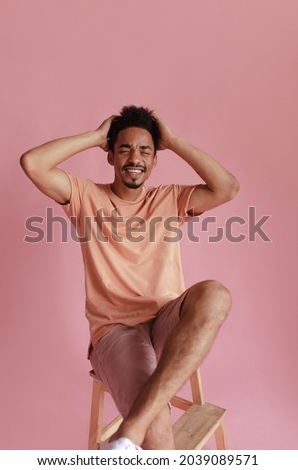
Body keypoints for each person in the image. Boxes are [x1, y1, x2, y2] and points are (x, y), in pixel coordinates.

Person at [20, 105, 239, 450]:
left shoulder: (169, 198)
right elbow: (33, 163)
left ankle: (129, 433)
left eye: (145, 150)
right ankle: (140, 431)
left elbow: (227, 187)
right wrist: (95, 137)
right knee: (158, 428)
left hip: (165, 322)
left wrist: (176, 141)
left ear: (154, 160)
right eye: (124, 148)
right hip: (115, 331)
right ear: (110, 156)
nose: (134, 157)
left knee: (216, 294)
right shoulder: (85, 196)